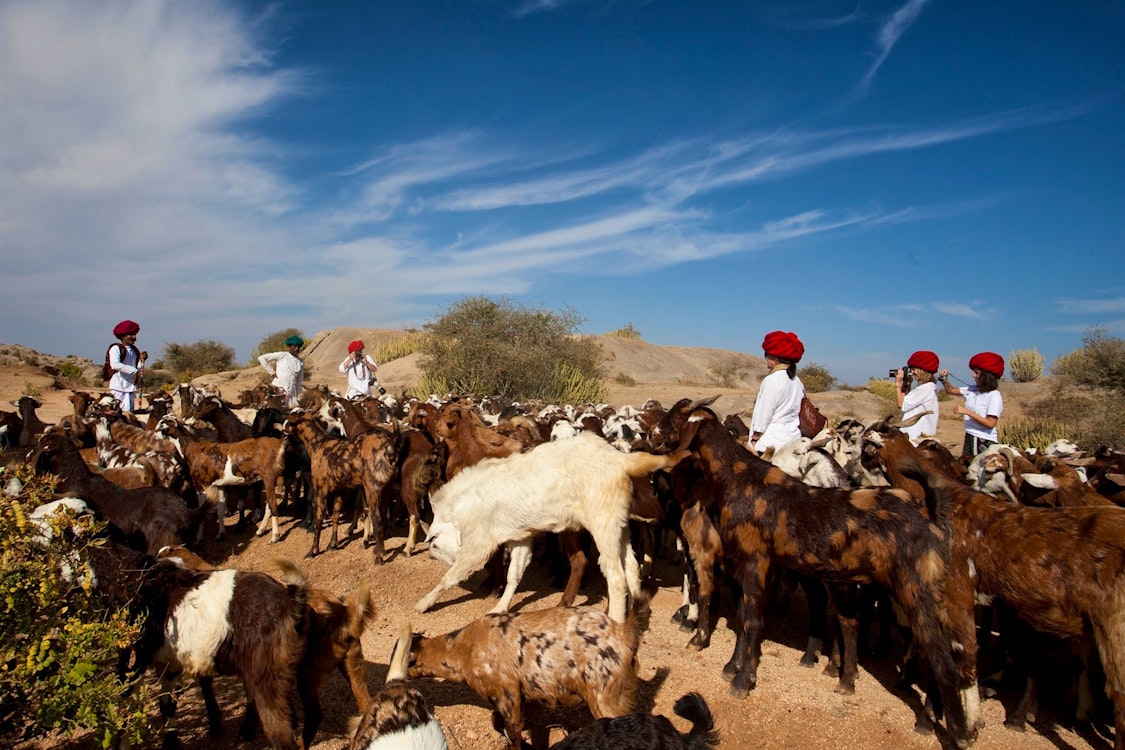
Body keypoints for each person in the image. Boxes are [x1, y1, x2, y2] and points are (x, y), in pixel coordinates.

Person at [749, 330, 806, 454]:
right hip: (792, 441)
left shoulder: (772, 380)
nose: (766, 359)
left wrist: (755, 439)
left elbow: (765, 413)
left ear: (775, 358)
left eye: (767, 355)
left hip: (770, 444)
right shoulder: (797, 381)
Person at [939, 351, 1004, 458]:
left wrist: (967, 412)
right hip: (970, 437)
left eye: (977, 373)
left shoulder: (994, 396)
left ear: (986, 376)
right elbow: (951, 391)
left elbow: (990, 423)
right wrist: (944, 379)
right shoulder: (973, 389)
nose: (973, 375)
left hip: (984, 440)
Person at [895, 350, 940, 444]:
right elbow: (906, 401)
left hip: (915, 439)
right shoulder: (929, 388)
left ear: (922, 370)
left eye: (914, 369)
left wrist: (897, 383)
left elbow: (901, 404)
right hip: (917, 437)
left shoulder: (926, 389)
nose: (912, 372)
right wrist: (906, 383)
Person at [105, 319, 148, 413]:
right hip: (118, 388)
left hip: (130, 388)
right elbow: (115, 365)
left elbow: (138, 368)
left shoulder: (134, 350)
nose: (134, 337)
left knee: (129, 415)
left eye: (135, 334)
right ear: (123, 336)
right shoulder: (116, 348)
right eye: (131, 335)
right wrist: (133, 371)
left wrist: (142, 361)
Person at [258, 334, 306, 407]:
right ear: (289, 347)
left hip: (291, 396)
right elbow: (261, 358)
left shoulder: (300, 362)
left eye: (298, 347)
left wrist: (299, 397)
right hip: (277, 391)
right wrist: (272, 372)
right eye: (295, 346)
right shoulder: (282, 355)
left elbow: (299, 382)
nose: (297, 349)